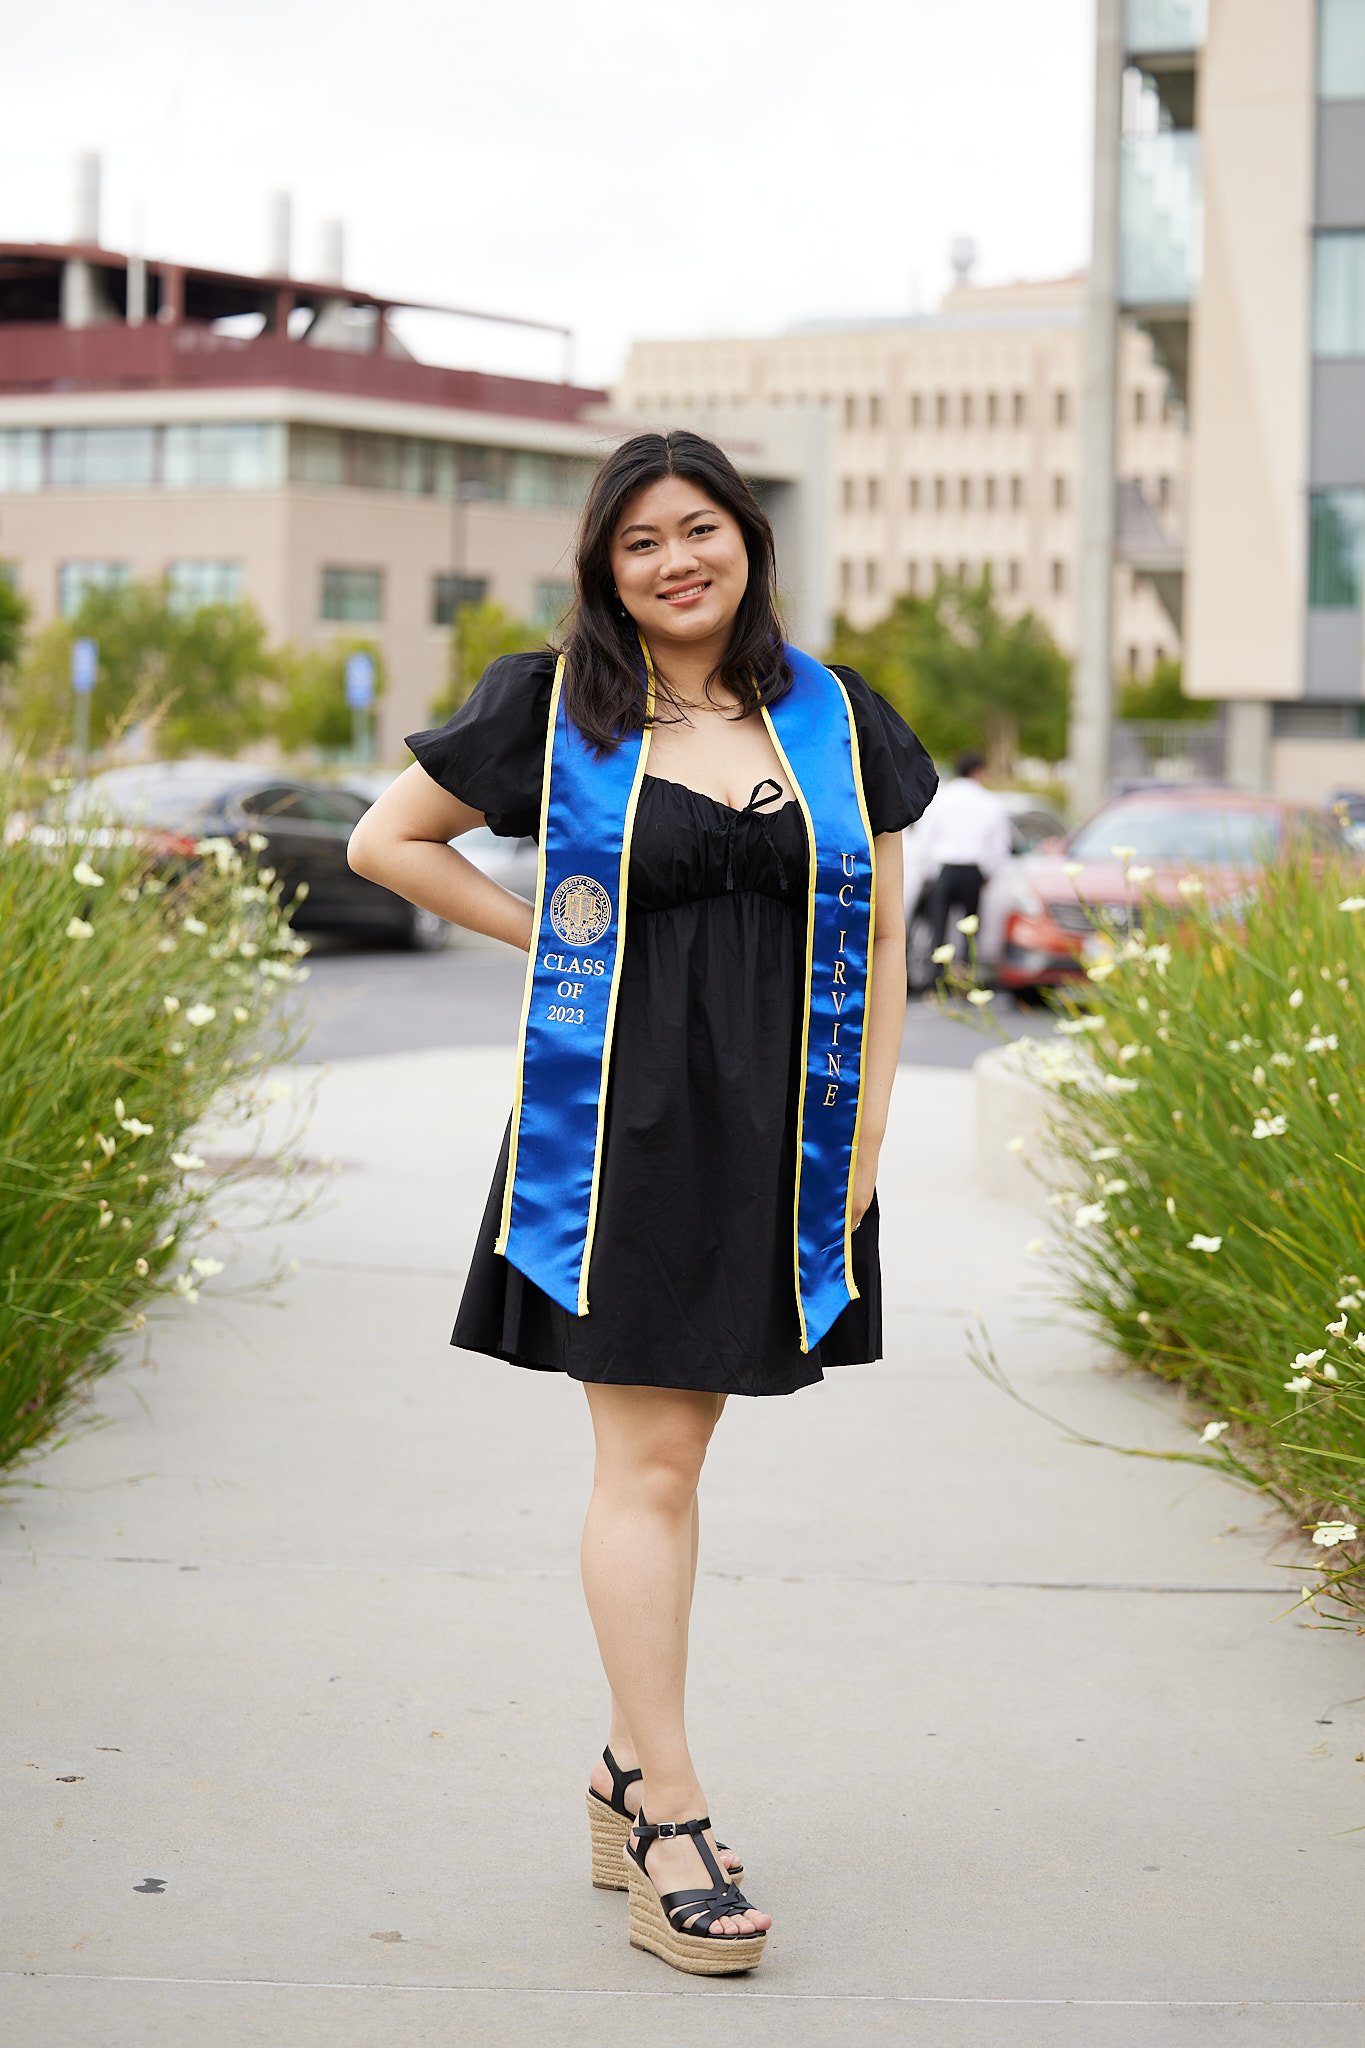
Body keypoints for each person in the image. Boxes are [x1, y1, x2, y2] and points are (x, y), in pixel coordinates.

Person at [346, 430, 937, 1976]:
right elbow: (385, 842)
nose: (677, 561)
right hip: (620, 1129)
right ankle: (670, 1814)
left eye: (700, 529)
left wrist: (867, 1139)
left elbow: (884, 939)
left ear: (747, 539)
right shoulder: (553, 709)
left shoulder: (834, 715)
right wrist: (549, 925)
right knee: (652, 1466)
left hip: (784, 1136)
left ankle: (624, 1771)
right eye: (640, 542)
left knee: (684, 1457)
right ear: (606, 571)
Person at [916, 749, 1012, 982]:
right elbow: (1000, 844)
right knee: (970, 928)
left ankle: (936, 980)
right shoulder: (990, 802)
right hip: (972, 870)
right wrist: (989, 872)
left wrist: (927, 871)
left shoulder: (941, 798)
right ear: (978, 771)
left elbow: (924, 837)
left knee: (938, 927)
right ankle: (967, 976)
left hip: (945, 868)